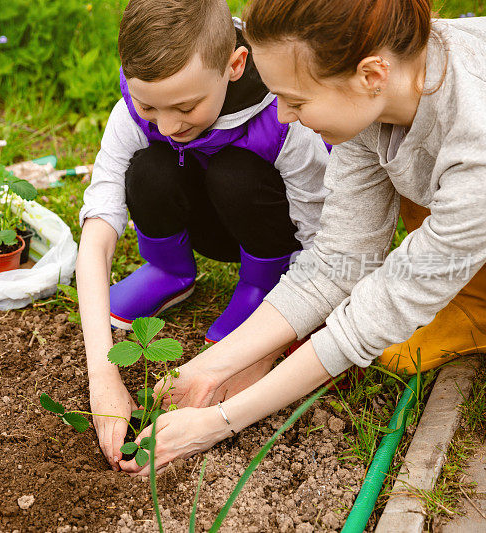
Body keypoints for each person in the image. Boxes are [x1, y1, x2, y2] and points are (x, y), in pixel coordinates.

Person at [118, 0, 486, 476]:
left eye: (298, 100)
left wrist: (220, 422)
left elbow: (380, 311)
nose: (282, 116)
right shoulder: (382, 91)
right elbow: (336, 262)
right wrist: (209, 367)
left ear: (370, 75)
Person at [77, 0, 330, 471]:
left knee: (235, 173)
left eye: (186, 106)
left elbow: (323, 239)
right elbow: (98, 232)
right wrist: (101, 373)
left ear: (234, 66)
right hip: (200, 222)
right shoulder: (131, 114)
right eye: (149, 105)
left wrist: (270, 341)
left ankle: (260, 289)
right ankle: (169, 271)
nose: (168, 125)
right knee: (148, 167)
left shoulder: (284, 116)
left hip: (266, 230)